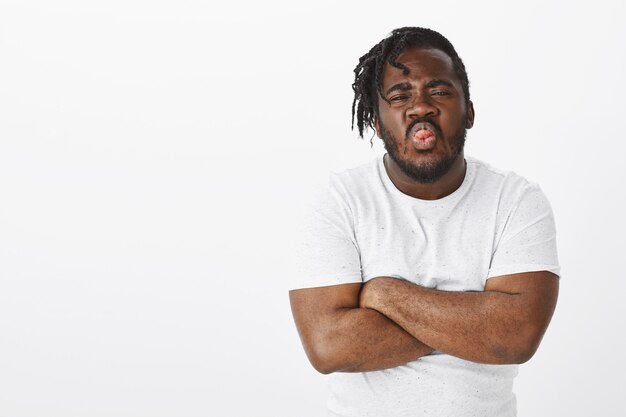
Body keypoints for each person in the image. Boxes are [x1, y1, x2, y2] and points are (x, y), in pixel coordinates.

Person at [288, 27, 560, 417]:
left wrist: (384, 294)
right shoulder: (338, 201)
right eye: (400, 96)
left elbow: (516, 336)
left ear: (468, 111)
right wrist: (476, 323)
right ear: (377, 123)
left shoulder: (516, 201)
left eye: (439, 91)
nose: (420, 107)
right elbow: (329, 347)